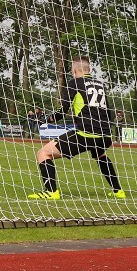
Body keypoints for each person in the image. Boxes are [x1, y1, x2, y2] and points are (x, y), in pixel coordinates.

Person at [28, 55, 124, 200]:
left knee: (43, 153)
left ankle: (51, 192)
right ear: (89, 69)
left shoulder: (74, 83)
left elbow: (63, 110)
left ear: (74, 70)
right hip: (104, 136)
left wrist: (46, 119)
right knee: (100, 155)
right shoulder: (100, 84)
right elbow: (108, 111)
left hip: (85, 134)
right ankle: (118, 191)